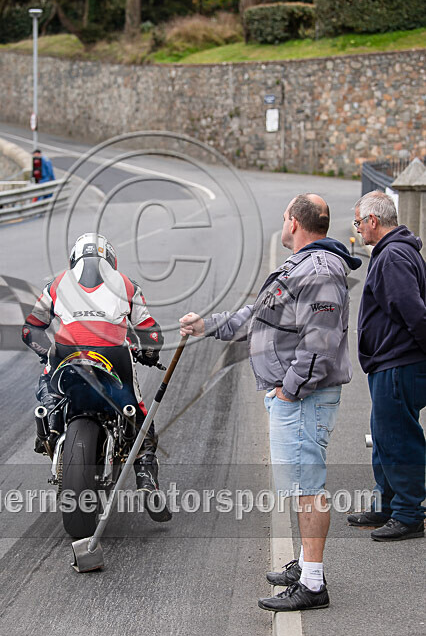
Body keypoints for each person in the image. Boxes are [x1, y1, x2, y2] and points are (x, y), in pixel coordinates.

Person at [180, 194, 362, 611]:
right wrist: (207, 325)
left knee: (308, 488)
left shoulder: (318, 269)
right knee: (300, 485)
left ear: (294, 223)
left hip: (303, 398)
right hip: (297, 397)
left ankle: (313, 584)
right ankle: (305, 565)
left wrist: (290, 388)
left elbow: (320, 341)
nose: (282, 225)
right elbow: (257, 315)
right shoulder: (303, 266)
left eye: (283, 218)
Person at [21, 232, 171, 522]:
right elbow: (151, 333)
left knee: (46, 384)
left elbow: (30, 330)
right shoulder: (128, 285)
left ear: (74, 259)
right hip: (113, 355)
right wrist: (149, 354)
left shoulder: (56, 284)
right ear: (111, 261)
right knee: (139, 412)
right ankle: (145, 477)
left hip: (66, 353)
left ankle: (48, 428)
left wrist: (46, 353)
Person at [348, 191, 425, 541]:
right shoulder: (394, 252)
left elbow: (413, 313)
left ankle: (409, 513)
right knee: (383, 436)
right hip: (390, 361)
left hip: (398, 361)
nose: (358, 229)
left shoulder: (392, 255)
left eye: (358, 222)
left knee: (398, 438)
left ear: (373, 221)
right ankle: (388, 504)